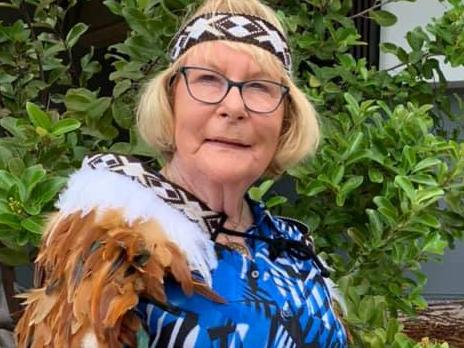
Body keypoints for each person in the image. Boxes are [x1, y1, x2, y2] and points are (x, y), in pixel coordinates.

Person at [16, 0, 348, 346]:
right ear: (171, 101)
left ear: (286, 119)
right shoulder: (112, 242)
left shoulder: (291, 249)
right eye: (208, 79)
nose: (233, 107)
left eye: (260, 86)